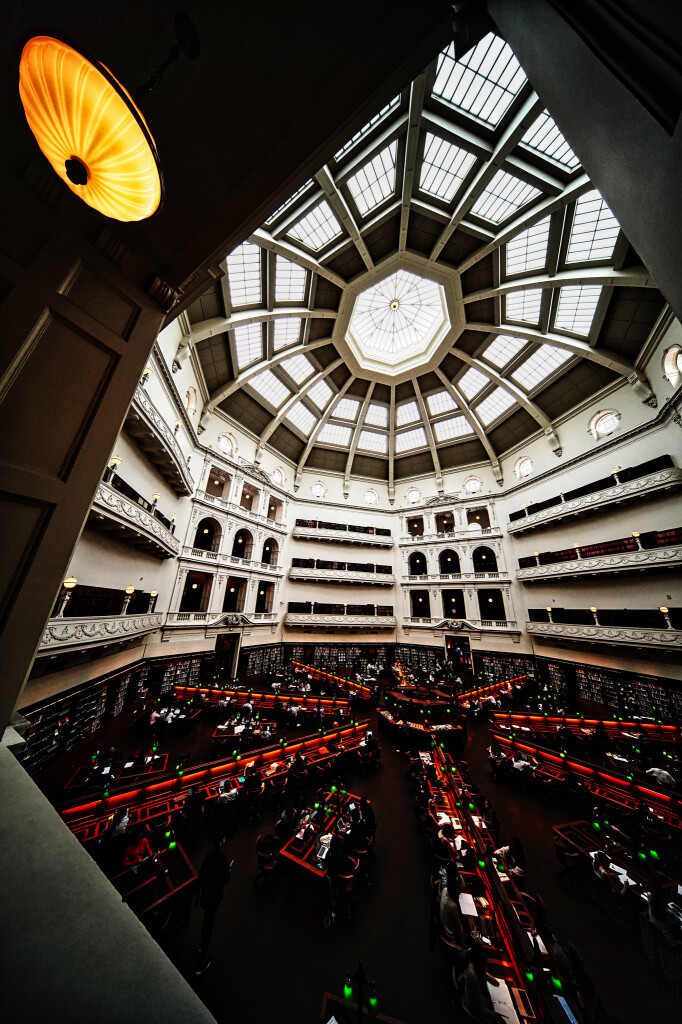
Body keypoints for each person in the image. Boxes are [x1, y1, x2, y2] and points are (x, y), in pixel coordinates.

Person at [195, 834, 232, 974]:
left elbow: (201, 875)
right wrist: (228, 871)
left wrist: (197, 894)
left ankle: (201, 945)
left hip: (205, 894)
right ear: (221, 842)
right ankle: (201, 960)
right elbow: (226, 879)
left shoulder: (208, 856)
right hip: (215, 897)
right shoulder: (222, 859)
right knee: (209, 923)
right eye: (224, 839)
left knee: (207, 920)